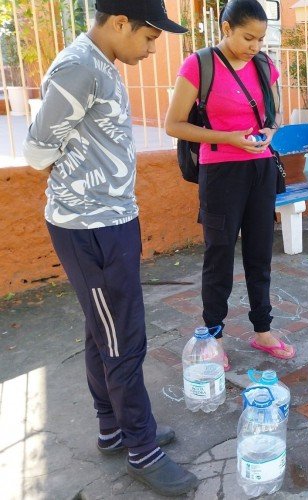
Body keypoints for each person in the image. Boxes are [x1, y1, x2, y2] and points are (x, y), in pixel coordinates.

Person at [23, 1, 198, 495]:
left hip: (113, 220)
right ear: (120, 22)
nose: (151, 48)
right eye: (148, 38)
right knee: (123, 338)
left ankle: (112, 428)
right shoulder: (79, 66)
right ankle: (141, 450)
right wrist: (79, 169)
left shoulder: (100, 63)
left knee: (103, 329)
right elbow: (36, 152)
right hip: (88, 227)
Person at [165, 0, 296, 366]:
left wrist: (269, 131)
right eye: (248, 37)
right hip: (221, 173)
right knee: (218, 255)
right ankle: (213, 336)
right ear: (225, 28)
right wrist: (227, 137)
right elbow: (173, 124)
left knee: (260, 254)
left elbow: (276, 114)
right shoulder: (200, 65)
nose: (255, 46)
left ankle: (262, 330)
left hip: (261, 168)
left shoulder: (265, 65)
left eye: (261, 38)